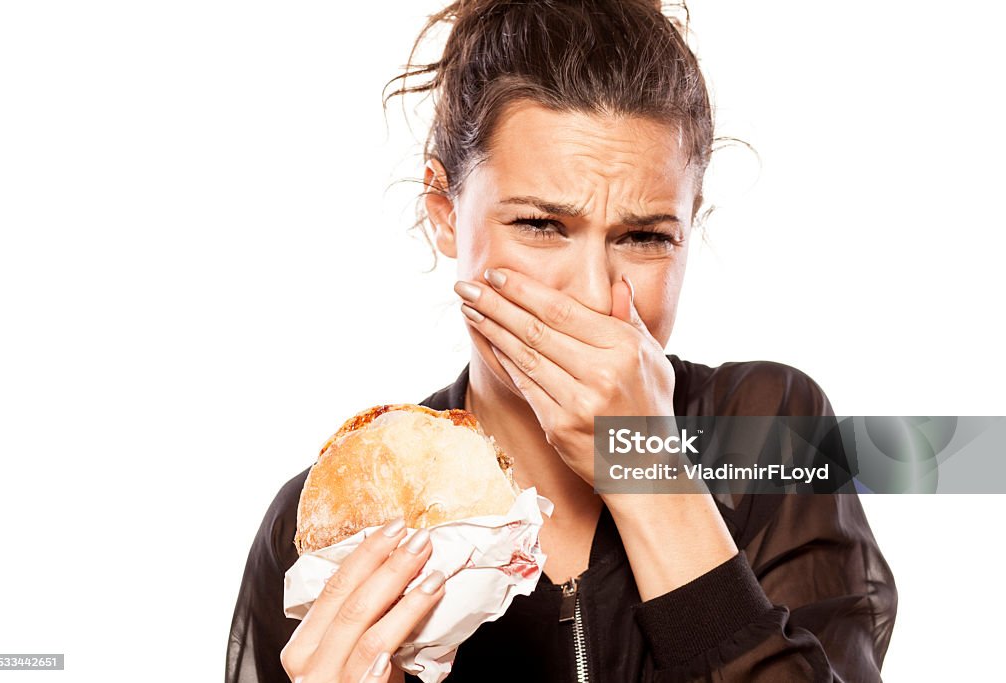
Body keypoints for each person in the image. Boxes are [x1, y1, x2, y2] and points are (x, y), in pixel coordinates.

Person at [226, 1, 898, 681]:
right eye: (542, 225)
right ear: (444, 214)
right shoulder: (334, 522)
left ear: (691, 227)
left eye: (644, 237)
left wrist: (647, 468)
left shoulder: (769, 433)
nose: (591, 293)